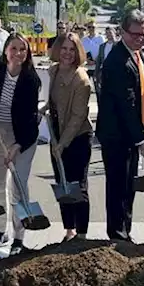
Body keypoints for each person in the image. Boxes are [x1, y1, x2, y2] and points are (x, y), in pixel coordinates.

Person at [0, 33, 41, 254]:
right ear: (5, 50)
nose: (18, 54)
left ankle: (18, 237)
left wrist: (17, 146)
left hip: (23, 137)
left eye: (22, 49)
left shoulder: (31, 80)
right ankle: (0, 231)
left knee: (18, 186)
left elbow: (31, 121)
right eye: (13, 49)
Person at [96, 9, 144, 242]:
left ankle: (125, 231)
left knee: (128, 186)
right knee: (119, 187)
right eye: (136, 34)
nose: (140, 38)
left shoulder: (137, 55)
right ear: (122, 32)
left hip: (131, 130)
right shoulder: (118, 60)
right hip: (117, 135)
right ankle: (117, 235)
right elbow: (125, 103)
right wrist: (140, 138)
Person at [48, 33, 94, 241]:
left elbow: (77, 117)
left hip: (78, 137)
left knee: (77, 184)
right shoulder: (53, 71)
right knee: (62, 183)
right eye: (64, 48)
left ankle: (82, 234)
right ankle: (69, 230)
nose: (67, 53)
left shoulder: (81, 79)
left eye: (72, 49)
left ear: (78, 52)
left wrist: (62, 144)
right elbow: (54, 101)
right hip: (57, 134)